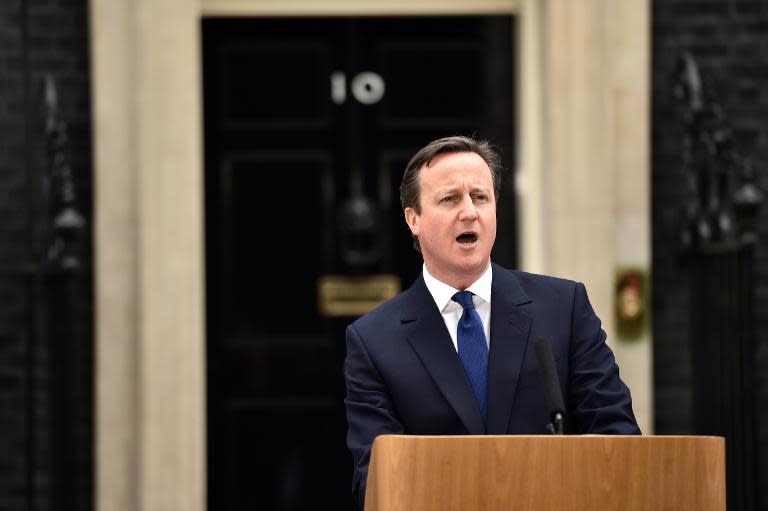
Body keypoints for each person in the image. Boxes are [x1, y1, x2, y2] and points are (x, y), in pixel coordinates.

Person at [344, 136, 640, 509]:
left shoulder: (564, 308)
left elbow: (618, 437)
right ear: (413, 218)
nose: (469, 212)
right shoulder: (373, 341)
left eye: (480, 197)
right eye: (450, 199)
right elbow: (376, 480)